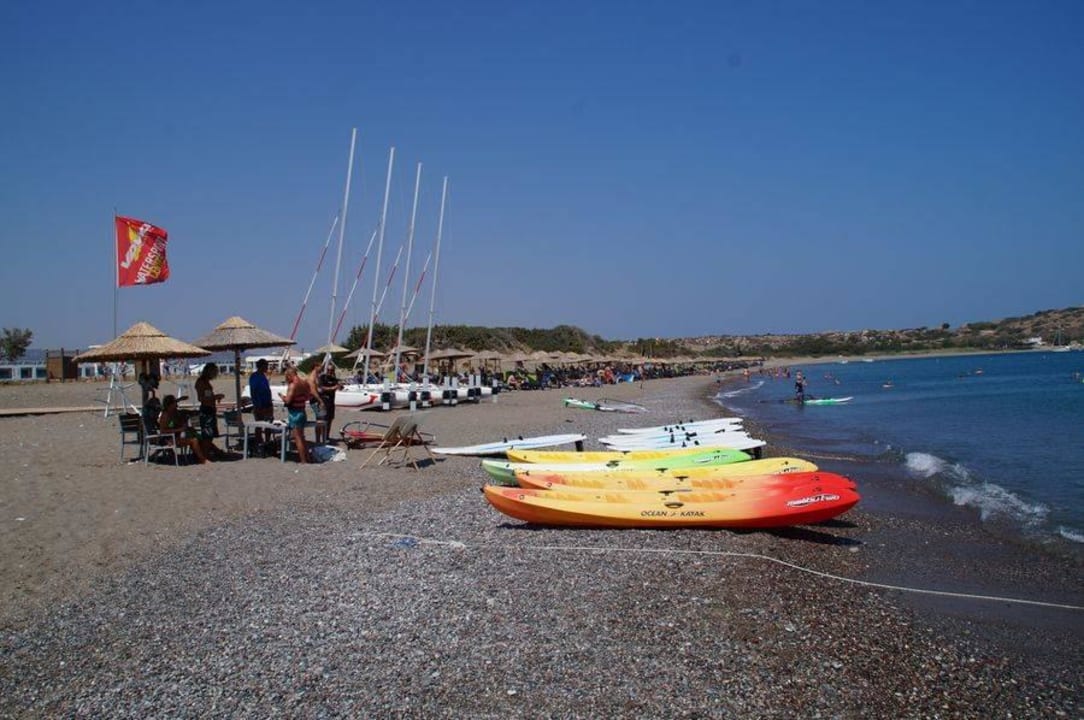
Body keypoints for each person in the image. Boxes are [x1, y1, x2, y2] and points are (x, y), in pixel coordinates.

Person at [157, 394, 209, 464]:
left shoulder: (173, 412)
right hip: (168, 439)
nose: (176, 404)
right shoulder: (166, 416)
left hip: (175, 436)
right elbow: (162, 431)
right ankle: (203, 460)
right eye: (175, 403)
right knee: (194, 440)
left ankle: (202, 456)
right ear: (170, 405)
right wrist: (179, 429)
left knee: (198, 436)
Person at [281, 366, 313, 463]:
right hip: (302, 411)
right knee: (302, 437)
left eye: (287, 377)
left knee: (297, 438)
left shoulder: (293, 385)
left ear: (290, 375)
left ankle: (303, 460)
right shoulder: (304, 383)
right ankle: (308, 458)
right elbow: (309, 396)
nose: (287, 379)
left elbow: (288, 400)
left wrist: (282, 397)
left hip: (295, 413)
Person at [194, 363, 226, 459]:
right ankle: (205, 455)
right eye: (214, 372)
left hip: (210, 409)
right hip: (206, 410)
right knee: (207, 434)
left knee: (210, 434)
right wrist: (215, 397)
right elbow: (201, 398)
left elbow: (207, 396)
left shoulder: (205, 382)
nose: (215, 374)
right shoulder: (201, 382)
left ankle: (207, 453)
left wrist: (215, 397)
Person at [248, 359, 275, 451]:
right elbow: (254, 391)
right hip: (260, 405)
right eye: (266, 366)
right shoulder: (255, 376)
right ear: (261, 366)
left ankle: (267, 441)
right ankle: (258, 442)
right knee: (259, 424)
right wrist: (258, 405)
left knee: (269, 423)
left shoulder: (263, 376)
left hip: (267, 403)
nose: (267, 368)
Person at [315, 362, 342, 445]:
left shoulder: (334, 379)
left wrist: (340, 386)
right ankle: (318, 439)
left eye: (332, 370)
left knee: (329, 420)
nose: (330, 371)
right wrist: (333, 388)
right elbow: (321, 388)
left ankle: (326, 437)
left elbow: (340, 388)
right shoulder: (322, 377)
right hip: (323, 402)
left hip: (331, 402)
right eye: (329, 370)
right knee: (321, 421)